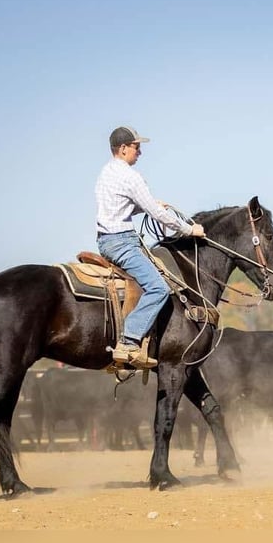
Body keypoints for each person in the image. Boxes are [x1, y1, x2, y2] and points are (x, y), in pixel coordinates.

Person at [95, 125, 205, 368]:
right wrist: (189, 229)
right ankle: (129, 340)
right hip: (122, 242)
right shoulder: (131, 176)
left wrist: (149, 205)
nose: (140, 152)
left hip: (106, 239)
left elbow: (122, 206)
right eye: (137, 147)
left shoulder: (106, 172)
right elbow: (155, 214)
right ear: (123, 149)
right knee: (158, 288)